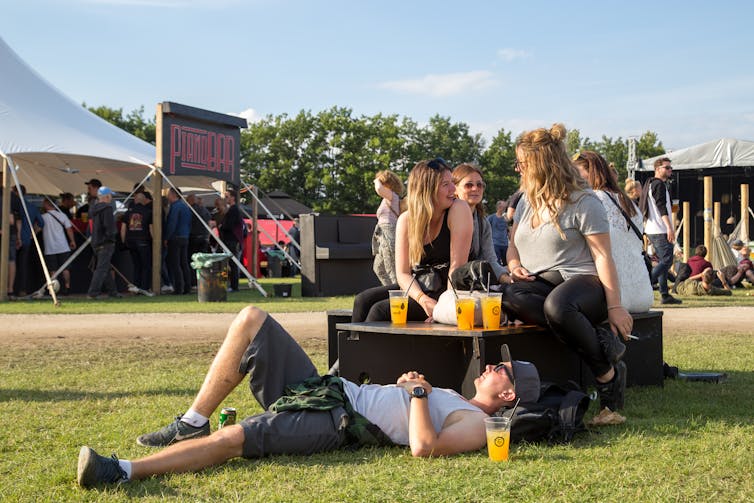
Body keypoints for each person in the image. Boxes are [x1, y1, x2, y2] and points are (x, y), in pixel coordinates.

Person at [76, 304, 541, 488]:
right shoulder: (457, 399)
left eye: (502, 369)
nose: (492, 366)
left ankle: (120, 471)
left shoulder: (479, 424)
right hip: (331, 389)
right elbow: (412, 411)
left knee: (235, 438)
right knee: (252, 318)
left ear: (508, 395)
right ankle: (192, 420)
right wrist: (407, 388)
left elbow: (424, 447)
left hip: (335, 419)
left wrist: (418, 393)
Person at [503, 124, 633, 412]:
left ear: (541, 164)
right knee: (509, 296)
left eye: (522, 163)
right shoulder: (526, 202)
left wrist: (615, 307)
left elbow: (603, 256)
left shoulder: (583, 201)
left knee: (558, 306)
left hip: (583, 283)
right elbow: (512, 246)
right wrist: (514, 265)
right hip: (540, 283)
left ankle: (607, 375)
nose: (517, 169)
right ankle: (593, 339)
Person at [352, 158, 472, 323]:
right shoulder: (406, 220)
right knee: (362, 300)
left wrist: (445, 308)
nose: (453, 189)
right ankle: (353, 341)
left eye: (452, 182)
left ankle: (367, 341)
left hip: (449, 289)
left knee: (380, 311)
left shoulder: (459, 209)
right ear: (426, 190)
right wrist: (422, 299)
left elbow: (457, 267)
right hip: (421, 285)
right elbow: (402, 273)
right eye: (446, 184)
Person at [572, 151, 653, 313]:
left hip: (612, 295)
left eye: (576, 172)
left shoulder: (592, 200)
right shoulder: (628, 201)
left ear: (591, 172)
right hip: (642, 294)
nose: (573, 178)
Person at [452, 163, 509, 284]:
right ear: (455, 189)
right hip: (445, 283)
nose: (475, 189)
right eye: (469, 185)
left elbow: (490, 260)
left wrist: (507, 279)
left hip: (470, 281)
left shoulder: (483, 222)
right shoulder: (445, 217)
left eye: (480, 185)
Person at [640, 157, 682, 304]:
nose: (670, 170)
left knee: (662, 261)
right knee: (667, 260)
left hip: (653, 228)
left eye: (670, 168)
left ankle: (664, 294)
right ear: (657, 169)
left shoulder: (651, 183)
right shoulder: (658, 185)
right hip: (660, 229)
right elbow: (661, 207)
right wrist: (670, 227)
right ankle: (644, 285)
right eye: (667, 167)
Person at [87, 187, 120, 299]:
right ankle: (92, 293)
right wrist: (112, 237)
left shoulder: (93, 209)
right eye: (110, 195)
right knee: (101, 269)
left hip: (96, 241)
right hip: (105, 242)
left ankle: (113, 292)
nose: (111, 198)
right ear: (106, 196)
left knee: (105, 267)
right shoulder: (107, 209)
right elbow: (109, 227)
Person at [371, 170, 404, 286]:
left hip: (388, 234)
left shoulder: (392, 196)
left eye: (382, 181)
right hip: (382, 235)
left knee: (391, 269)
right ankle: (389, 290)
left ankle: (398, 292)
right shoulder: (388, 199)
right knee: (379, 268)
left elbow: (379, 189)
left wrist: (377, 180)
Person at [11, 185, 44, 296]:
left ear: (15, 192)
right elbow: (41, 223)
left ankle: (9, 289)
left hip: (13, 237)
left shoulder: (13, 205)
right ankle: (22, 289)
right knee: (23, 265)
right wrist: (32, 233)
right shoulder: (32, 206)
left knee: (10, 263)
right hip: (26, 240)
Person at [41, 198, 76, 295]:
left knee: (53, 270)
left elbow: (37, 228)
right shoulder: (62, 215)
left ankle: (54, 290)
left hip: (49, 246)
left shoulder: (43, 217)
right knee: (65, 268)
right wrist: (72, 241)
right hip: (63, 245)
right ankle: (67, 287)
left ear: (46, 204)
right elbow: (69, 229)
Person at [120, 192, 152, 291]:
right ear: (144, 201)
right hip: (144, 241)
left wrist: (124, 242)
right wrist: (154, 241)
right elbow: (151, 229)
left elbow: (123, 229)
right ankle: (144, 287)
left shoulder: (128, 212)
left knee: (136, 265)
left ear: (135, 200)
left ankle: (136, 286)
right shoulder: (148, 212)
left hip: (131, 242)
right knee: (146, 266)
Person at [164, 188, 193, 295]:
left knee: (176, 264)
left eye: (168, 194)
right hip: (185, 237)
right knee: (184, 263)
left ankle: (178, 288)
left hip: (175, 237)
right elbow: (189, 223)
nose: (167, 196)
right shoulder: (185, 206)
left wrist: (166, 237)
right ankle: (187, 287)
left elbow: (172, 223)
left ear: (173, 195)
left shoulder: (175, 207)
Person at [218, 189, 245, 292]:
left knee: (233, 264)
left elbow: (229, 225)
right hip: (231, 240)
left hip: (232, 240)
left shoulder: (234, 210)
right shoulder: (232, 209)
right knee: (230, 264)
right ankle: (232, 285)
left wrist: (221, 226)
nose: (225, 199)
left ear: (233, 197)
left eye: (227, 196)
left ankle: (234, 286)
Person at [187, 194, 212, 287]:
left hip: (193, 238)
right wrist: (207, 236)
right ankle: (203, 280)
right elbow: (209, 223)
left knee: (192, 260)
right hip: (204, 238)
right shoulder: (205, 210)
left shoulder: (190, 210)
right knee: (202, 261)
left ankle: (193, 282)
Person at [487, 200, 509, 266]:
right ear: (498, 207)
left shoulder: (506, 218)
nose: (504, 209)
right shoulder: (491, 218)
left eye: (505, 208)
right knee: (497, 264)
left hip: (505, 244)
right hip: (495, 244)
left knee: (507, 263)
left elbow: (509, 229)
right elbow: (486, 229)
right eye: (503, 207)